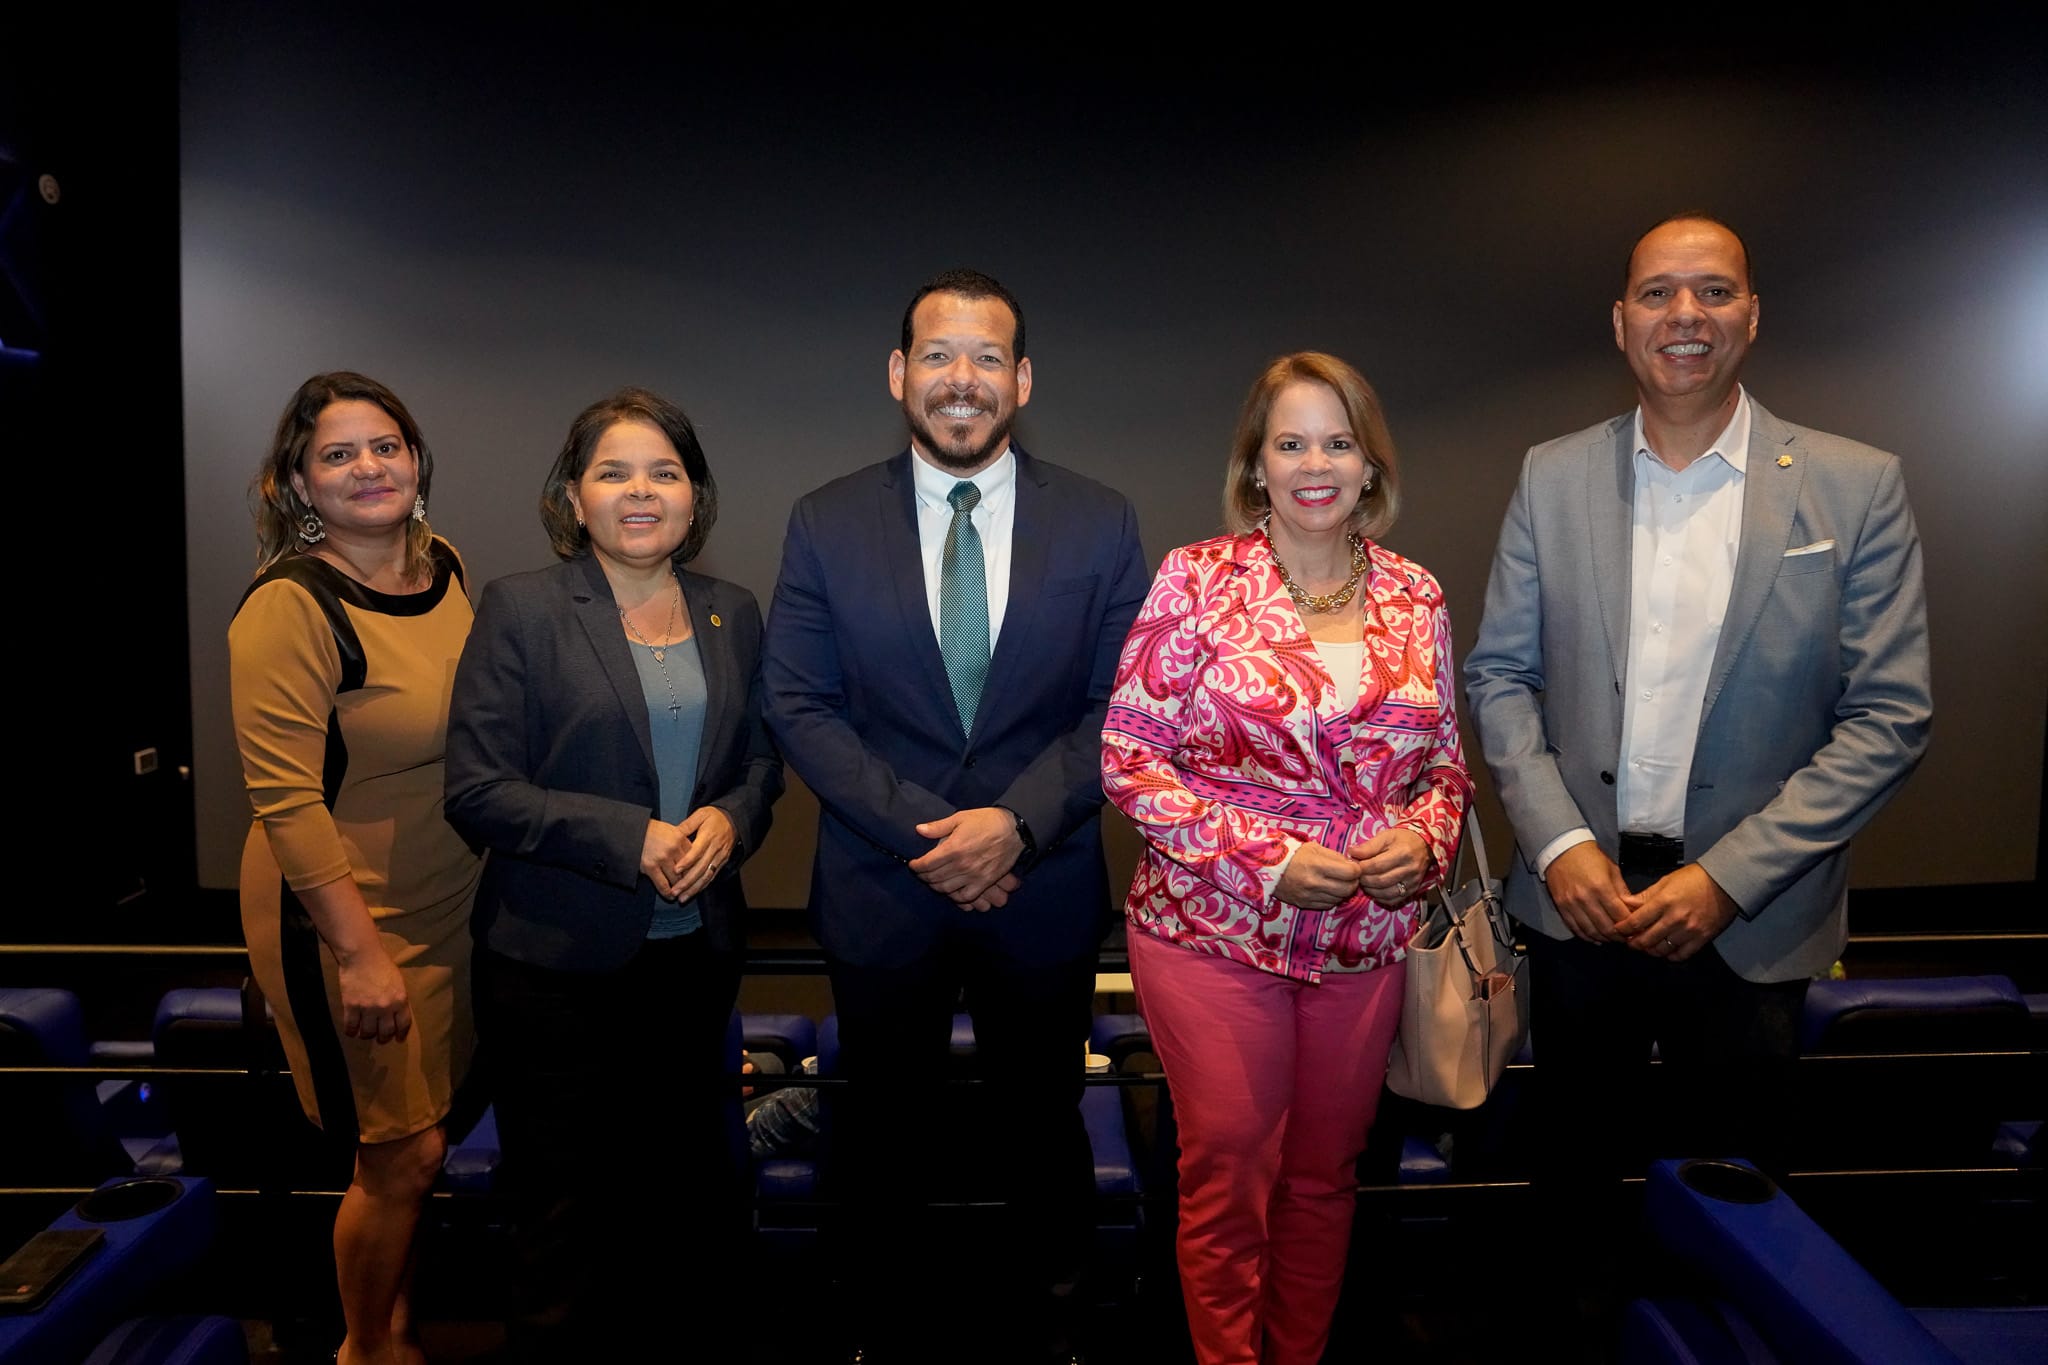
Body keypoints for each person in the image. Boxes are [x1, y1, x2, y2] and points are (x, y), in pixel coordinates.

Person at [1462, 214, 1933, 1334]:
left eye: (1713, 291)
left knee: (1736, 1216)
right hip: (1579, 911)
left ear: (1751, 317)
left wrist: (1726, 878)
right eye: (1658, 293)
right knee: (1573, 1200)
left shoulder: (1856, 485)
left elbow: (1889, 716)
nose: (1685, 315)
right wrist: (1560, 845)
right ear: (1619, 321)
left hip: (1748, 924)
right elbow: (1499, 678)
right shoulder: (1551, 475)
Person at [763, 268, 1149, 1361]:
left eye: (986, 357)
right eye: (937, 355)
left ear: (1022, 380)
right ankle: (876, 1330)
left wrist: (1013, 826)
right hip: (885, 887)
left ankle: (1057, 1326)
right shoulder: (826, 519)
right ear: (899, 373)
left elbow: (1125, 704)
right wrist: (935, 837)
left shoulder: (1101, 520)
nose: (961, 378)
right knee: (881, 1131)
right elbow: (798, 702)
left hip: (1042, 885)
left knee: (1042, 1129)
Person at [1101, 352, 1470, 1365]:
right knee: (1228, 1173)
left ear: (1370, 465)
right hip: (1211, 930)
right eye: (1292, 443)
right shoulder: (1195, 580)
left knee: (1323, 1177)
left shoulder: (1417, 595)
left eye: (1338, 443)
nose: (1316, 465)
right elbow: (1128, 761)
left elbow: (1445, 767)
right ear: (1255, 465)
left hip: (1364, 938)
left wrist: (1423, 841)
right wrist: (1266, 861)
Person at [444, 387, 783, 1361]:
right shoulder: (522, 609)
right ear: (573, 496)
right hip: (553, 971)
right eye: (614, 472)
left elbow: (762, 763)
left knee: (685, 1209)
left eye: (664, 472)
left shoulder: (732, 610)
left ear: (694, 495)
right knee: (564, 1222)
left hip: (692, 966)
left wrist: (732, 816)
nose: (641, 491)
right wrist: (627, 836)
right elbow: (476, 789)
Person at [230, 372, 479, 1365]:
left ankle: (401, 1330)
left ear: (416, 462)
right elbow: (286, 803)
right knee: (401, 1152)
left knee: (424, 1142)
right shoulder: (289, 608)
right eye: (337, 454)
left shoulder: (445, 567)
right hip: (347, 917)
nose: (368, 468)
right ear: (299, 484)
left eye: (386, 446)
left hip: (451, 902)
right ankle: (368, 1350)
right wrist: (359, 954)